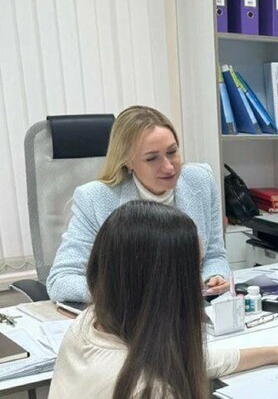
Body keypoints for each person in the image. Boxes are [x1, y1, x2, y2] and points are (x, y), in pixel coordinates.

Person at [50, 201, 278, 399]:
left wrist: (274, 353)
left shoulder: (91, 321)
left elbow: (188, 360)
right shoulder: (147, 390)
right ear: (167, 286)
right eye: (196, 268)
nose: (200, 283)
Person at [47, 105, 232, 302]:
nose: (168, 167)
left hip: (187, 309)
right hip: (129, 314)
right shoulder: (95, 198)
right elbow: (61, 280)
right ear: (128, 161)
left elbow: (214, 255)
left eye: (172, 152)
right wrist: (124, 294)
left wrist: (213, 278)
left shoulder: (200, 180)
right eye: (152, 158)